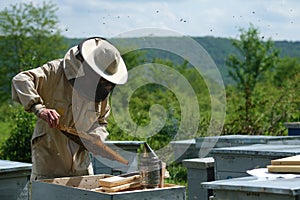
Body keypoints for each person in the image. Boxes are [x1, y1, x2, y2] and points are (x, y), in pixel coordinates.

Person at [11, 37, 128, 180]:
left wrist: (96, 138)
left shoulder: (100, 91)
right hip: (48, 165)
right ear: (87, 68)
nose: (102, 83)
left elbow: (101, 122)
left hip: (82, 166)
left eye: (105, 80)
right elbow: (21, 79)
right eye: (99, 78)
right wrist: (39, 108)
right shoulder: (55, 71)